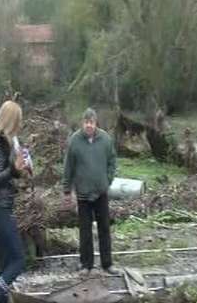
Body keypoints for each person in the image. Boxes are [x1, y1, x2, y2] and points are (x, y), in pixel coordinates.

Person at [62, 108, 117, 275]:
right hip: (83, 193)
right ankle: (86, 264)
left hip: (101, 192)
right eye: (86, 122)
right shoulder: (74, 141)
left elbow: (112, 161)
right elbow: (68, 166)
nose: (89, 125)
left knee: (104, 228)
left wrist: (107, 180)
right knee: (84, 230)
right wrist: (67, 189)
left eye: (91, 122)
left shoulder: (106, 140)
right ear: (82, 123)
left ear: (96, 123)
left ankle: (107, 264)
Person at [0, 100, 26, 303]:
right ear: (12, 120)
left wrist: (20, 169)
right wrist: (14, 169)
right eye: (19, 120)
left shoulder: (5, 141)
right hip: (0, 207)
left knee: (6, 260)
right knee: (18, 259)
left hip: (1, 205)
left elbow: (6, 175)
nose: (20, 124)